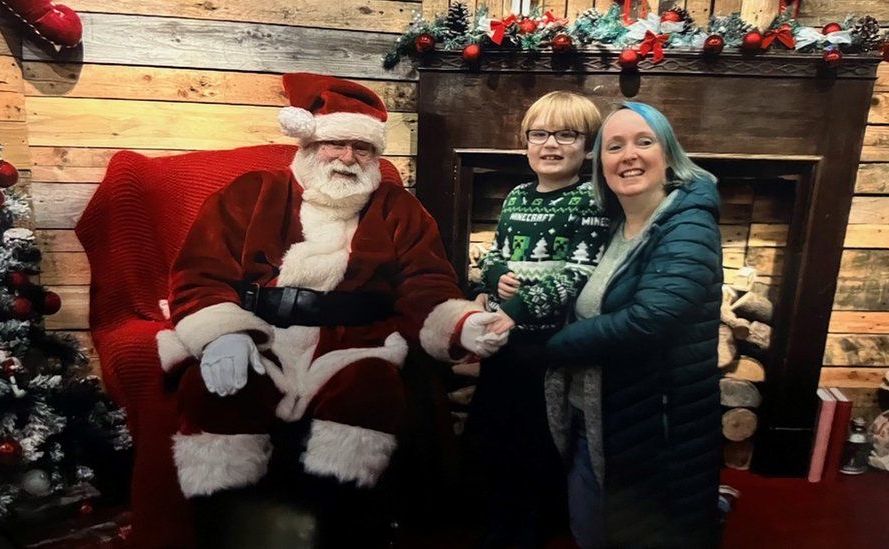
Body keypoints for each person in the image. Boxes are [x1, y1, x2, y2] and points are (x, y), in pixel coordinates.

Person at [155, 73, 509, 546]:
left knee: (370, 391)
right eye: (335, 143)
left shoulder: (397, 208)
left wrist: (464, 324)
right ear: (309, 143)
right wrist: (223, 333)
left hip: (356, 343)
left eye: (361, 148)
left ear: (375, 156)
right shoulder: (250, 192)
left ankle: (340, 530)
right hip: (261, 334)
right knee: (213, 393)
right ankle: (226, 529)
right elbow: (199, 273)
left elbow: (425, 284)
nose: (347, 158)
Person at [544, 101, 722, 548]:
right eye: (614, 146)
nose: (629, 155)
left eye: (645, 142)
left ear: (668, 154)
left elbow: (652, 318)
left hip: (655, 419)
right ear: (600, 162)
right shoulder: (617, 225)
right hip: (602, 412)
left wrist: (556, 345)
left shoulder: (687, 223)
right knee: (593, 526)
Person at [472, 91, 608, 548]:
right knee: (495, 431)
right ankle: (495, 517)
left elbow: (578, 273)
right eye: (540, 134)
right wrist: (495, 277)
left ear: (587, 146)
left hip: (548, 347)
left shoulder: (589, 200)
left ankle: (530, 526)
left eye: (566, 134)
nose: (551, 144)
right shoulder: (516, 196)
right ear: (526, 142)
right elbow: (494, 253)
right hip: (505, 342)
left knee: (537, 439)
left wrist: (514, 311)